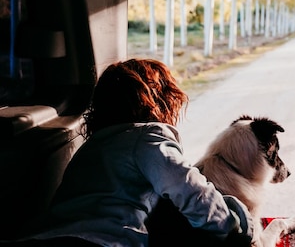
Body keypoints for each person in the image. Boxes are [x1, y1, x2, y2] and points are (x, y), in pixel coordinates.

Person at [14, 58, 253, 247]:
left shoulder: (93, 147)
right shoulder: (147, 137)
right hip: (97, 241)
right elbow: (190, 190)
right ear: (161, 102)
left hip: (40, 236)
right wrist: (235, 227)